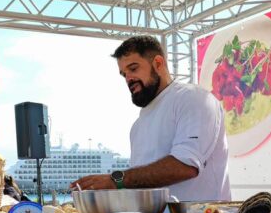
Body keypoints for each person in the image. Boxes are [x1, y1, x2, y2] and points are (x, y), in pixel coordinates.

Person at [72, 36, 231, 201]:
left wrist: (116, 180)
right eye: (124, 74)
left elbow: (186, 166)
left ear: (158, 64)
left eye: (133, 69)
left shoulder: (193, 98)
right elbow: (140, 181)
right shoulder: (137, 126)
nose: (128, 79)